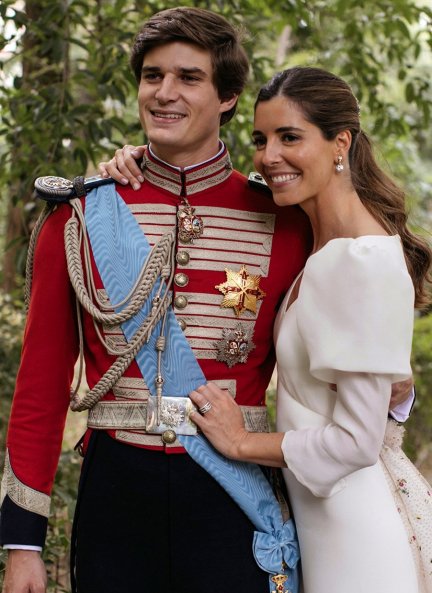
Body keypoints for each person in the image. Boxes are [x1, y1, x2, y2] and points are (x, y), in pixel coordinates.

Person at [0, 7, 414, 593]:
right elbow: (39, 384)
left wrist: (392, 385)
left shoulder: (289, 220)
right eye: (152, 75)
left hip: (233, 496)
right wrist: (22, 543)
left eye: (188, 77)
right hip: (115, 497)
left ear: (228, 97)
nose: (164, 93)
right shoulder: (82, 216)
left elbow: (344, 328)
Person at [180, 66, 432, 593]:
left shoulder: (361, 258)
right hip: (320, 523)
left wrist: (243, 443)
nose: (269, 156)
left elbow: (357, 442)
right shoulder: (318, 246)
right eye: (260, 139)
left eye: (289, 137)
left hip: (357, 537)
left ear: (340, 142)